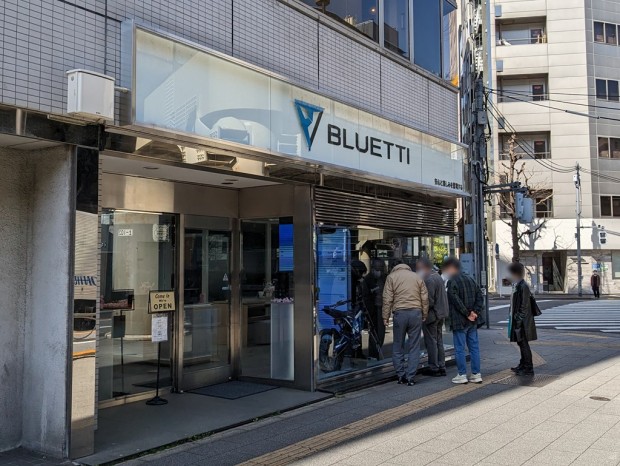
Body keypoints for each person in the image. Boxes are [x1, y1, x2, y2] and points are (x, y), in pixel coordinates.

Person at [383, 261, 429, 386]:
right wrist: (425, 313)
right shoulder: (416, 277)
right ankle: (411, 377)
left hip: (400, 314)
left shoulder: (391, 277)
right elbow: (425, 297)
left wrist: (385, 317)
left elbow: (387, 299)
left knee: (398, 345)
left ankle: (400, 375)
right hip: (416, 313)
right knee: (414, 346)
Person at [442, 257, 485, 384]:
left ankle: (462, 374)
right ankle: (476, 374)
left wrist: (467, 313)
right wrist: (474, 312)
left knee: (459, 348)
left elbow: (455, 300)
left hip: (459, 321)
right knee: (474, 347)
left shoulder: (452, 282)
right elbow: (480, 296)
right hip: (472, 320)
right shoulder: (471, 279)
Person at [416, 258, 449, 377]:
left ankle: (434, 367)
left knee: (431, 341)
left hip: (432, 315)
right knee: (439, 340)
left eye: (419, 268)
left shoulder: (429, 279)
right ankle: (442, 366)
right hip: (441, 313)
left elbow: (428, 301)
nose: (418, 270)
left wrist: (423, 312)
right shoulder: (437, 276)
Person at [508, 262, 538, 376]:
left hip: (523, 322)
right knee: (521, 343)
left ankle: (528, 368)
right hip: (520, 320)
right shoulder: (518, 284)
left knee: (523, 343)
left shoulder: (522, 286)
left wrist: (518, 319)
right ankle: (523, 364)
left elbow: (524, 305)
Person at [363, 259, 387, 360]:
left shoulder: (385, 278)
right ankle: (373, 353)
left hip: (382, 307)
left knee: (381, 331)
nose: (378, 271)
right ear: (373, 268)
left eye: (380, 268)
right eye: (377, 269)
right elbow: (365, 295)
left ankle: (377, 351)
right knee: (374, 331)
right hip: (373, 308)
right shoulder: (368, 279)